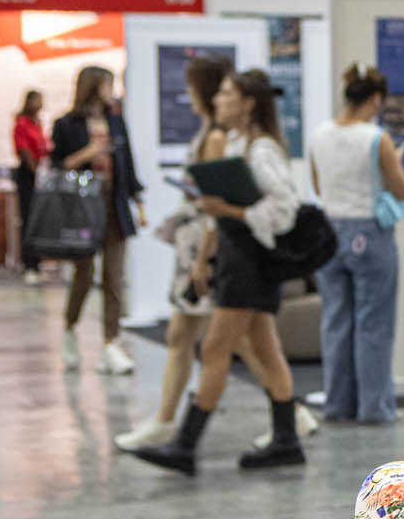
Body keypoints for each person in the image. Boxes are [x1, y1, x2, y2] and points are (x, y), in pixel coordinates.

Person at [114, 57, 317, 453]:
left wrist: (226, 216)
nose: (217, 100)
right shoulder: (241, 144)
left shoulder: (256, 149)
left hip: (247, 258)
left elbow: (283, 207)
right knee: (258, 347)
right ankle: (287, 433)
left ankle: (185, 443)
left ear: (247, 103)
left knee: (217, 347)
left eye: (226, 93)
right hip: (234, 253)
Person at [308, 62, 404, 424]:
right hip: (369, 232)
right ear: (375, 100)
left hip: (329, 232)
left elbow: (318, 186)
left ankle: (337, 405)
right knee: (373, 324)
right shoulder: (376, 138)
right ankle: (374, 408)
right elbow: (401, 188)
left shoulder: (319, 134)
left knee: (335, 321)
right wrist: (394, 164)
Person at [50, 66, 144, 374]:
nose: (110, 90)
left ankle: (110, 342)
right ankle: (70, 326)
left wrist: (138, 201)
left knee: (114, 277)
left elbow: (127, 164)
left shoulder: (116, 121)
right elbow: (57, 165)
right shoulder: (67, 124)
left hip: (114, 203)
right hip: (82, 206)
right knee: (85, 272)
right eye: (106, 84)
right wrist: (87, 153)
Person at [11, 89, 48, 284]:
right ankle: (29, 265)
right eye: (38, 100)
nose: (41, 104)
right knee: (28, 220)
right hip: (28, 175)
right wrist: (35, 171)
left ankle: (37, 263)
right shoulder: (22, 123)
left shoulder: (37, 123)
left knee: (39, 221)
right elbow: (24, 150)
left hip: (39, 173)